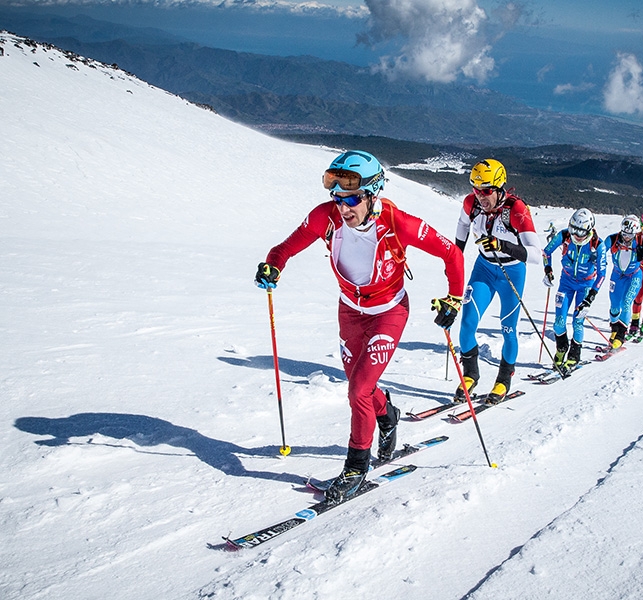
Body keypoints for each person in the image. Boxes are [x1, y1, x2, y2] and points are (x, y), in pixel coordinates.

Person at [255, 150, 465, 503]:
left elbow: (452, 254)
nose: (343, 206)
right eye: (336, 197)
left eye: (352, 198)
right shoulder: (326, 218)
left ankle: (356, 465)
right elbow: (285, 248)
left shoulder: (399, 224)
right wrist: (272, 266)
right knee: (361, 388)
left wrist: (454, 299)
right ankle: (388, 415)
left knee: (357, 391)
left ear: (372, 193)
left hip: (389, 312)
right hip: (350, 312)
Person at [454, 159, 542, 404]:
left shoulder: (516, 210)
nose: (480, 196)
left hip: (511, 273)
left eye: (486, 191)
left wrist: (503, 245)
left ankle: (504, 379)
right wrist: (456, 255)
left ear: (501, 188)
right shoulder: (471, 203)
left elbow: (536, 254)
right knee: (467, 323)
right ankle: (471, 374)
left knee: (508, 329)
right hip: (483, 268)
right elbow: (462, 224)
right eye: (476, 189)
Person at [542, 208, 606, 369]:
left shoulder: (598, 244)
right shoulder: (564, 235)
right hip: (566, 282)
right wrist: (548, 270)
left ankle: (574, 355)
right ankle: (561, 348)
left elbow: (602, 274)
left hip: (586, 285)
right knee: (558, 322)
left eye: (581, 231)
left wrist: (590, 298)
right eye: (574, 229)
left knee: (578, 321)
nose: (576, 235)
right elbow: (546, 252)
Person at [599, 215, 643, 350]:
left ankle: (621, 336)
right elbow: (601, 250)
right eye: (625, 234)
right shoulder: (613, 239)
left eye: (630, 234)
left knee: (627, 302)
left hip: (634, 276)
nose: (627, 237)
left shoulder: (642, 240)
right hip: (617, 276)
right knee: (615, 305)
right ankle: (614, 330)